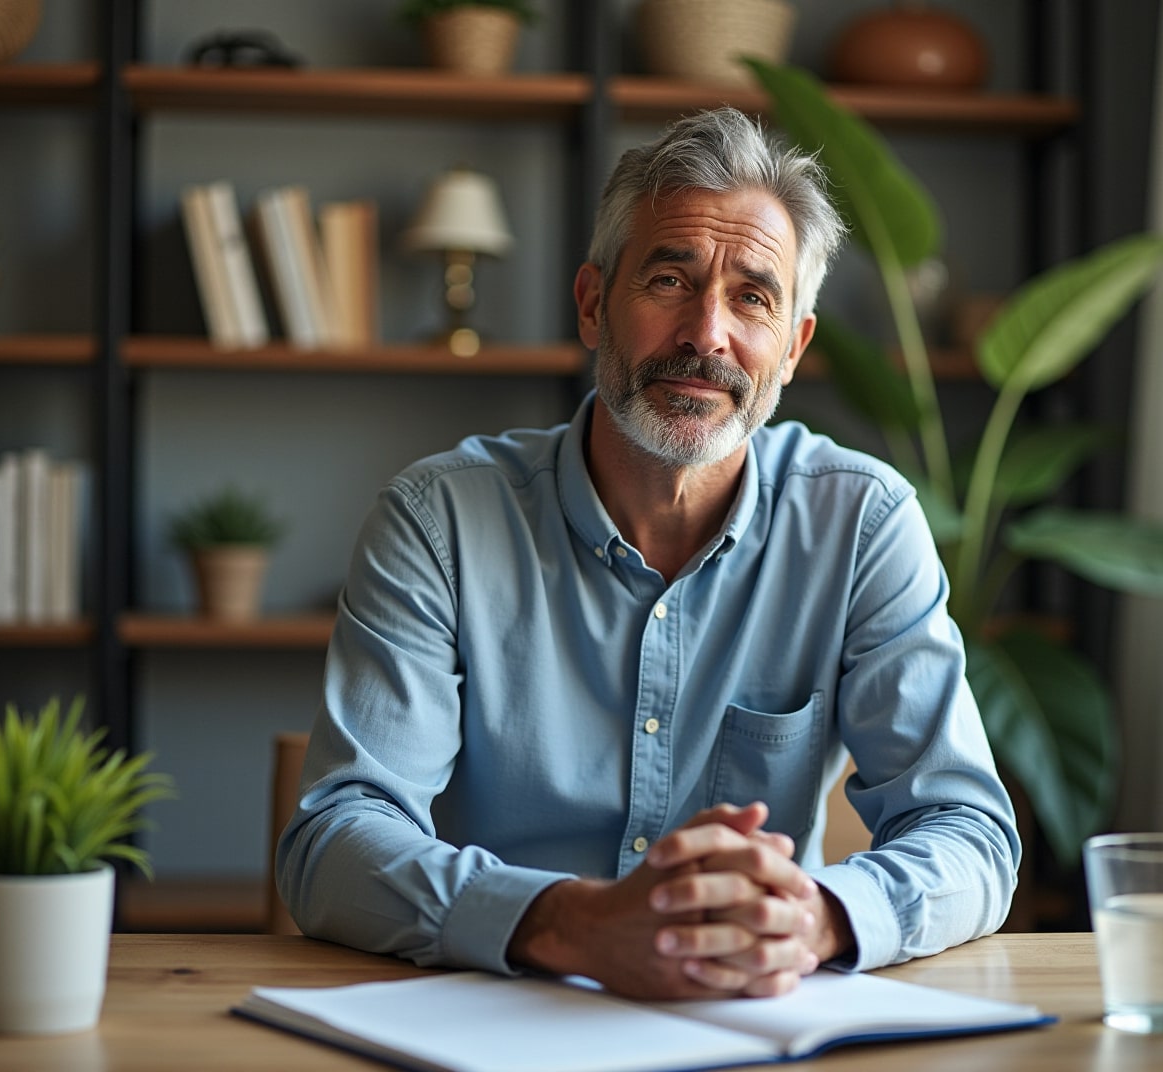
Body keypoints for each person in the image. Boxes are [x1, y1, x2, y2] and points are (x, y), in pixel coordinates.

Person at [277, 106, 1019, 1001]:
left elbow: (967, 830)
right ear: (594, 305)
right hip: (505, 1015)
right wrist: (572, 924)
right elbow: (334, 838)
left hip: (755, 1017)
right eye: (670, 279)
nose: (707, 334)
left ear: (791, 347)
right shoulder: (442, 520)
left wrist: (815, 917)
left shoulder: (860, 523)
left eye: (753, 296)